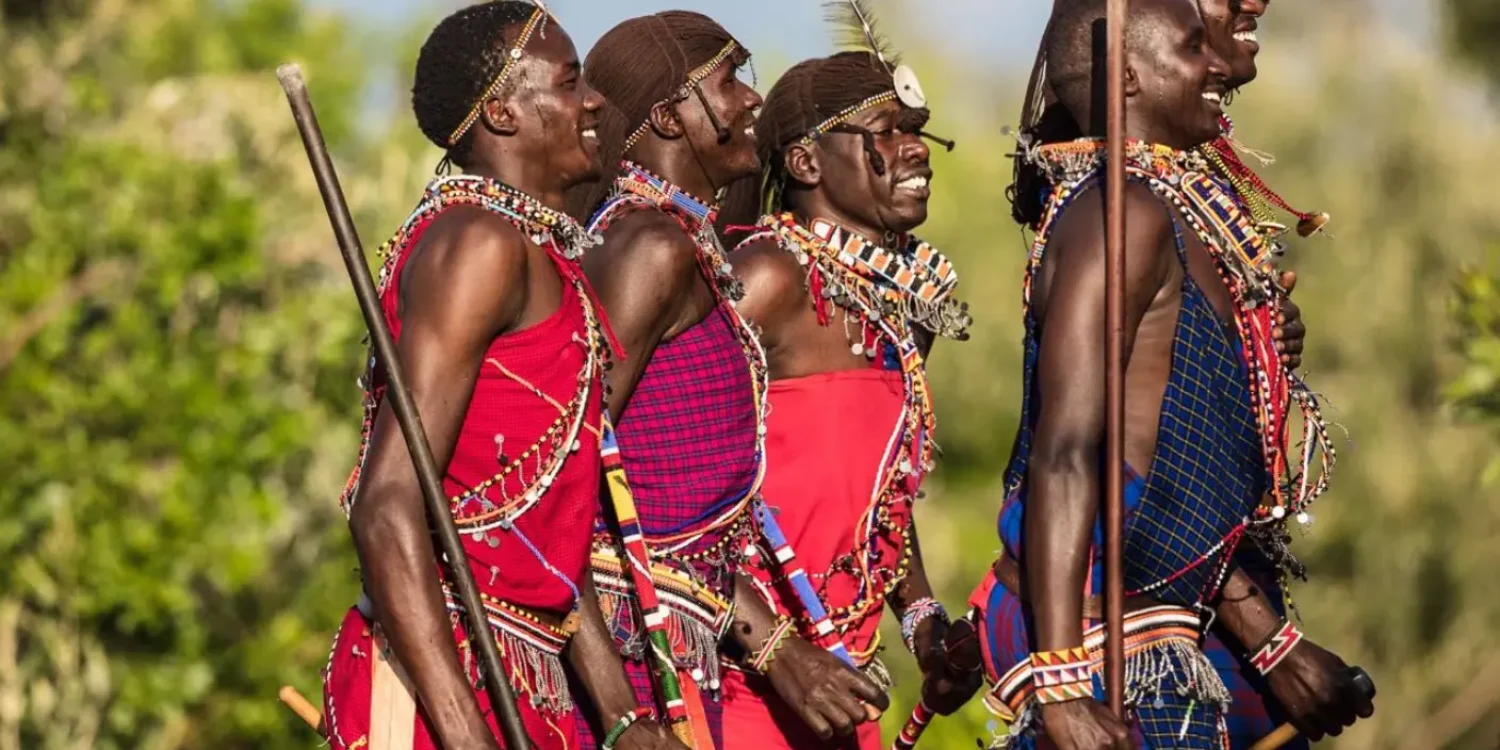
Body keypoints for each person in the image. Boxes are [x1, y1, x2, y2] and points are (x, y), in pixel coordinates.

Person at [962, 0, 1374, 748]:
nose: (1216, 65)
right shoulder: (1120, 215)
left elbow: (1174, 458)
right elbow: (1065, 453)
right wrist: (1061, 687)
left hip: (1168, 610)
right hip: (1107, 639)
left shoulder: (1160, 207)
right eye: (1191, 49)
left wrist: (1274, 645)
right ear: (1127, 76)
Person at [322, 4, 687, 749]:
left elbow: (548, 541)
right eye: (570, 82)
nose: (596, 103)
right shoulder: (477, 245)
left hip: (524, 685)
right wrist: (467, 736)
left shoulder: (544, 258)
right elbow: (385, 505)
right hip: (442, 689)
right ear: (501, 111)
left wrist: (622, 720)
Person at [564, 12, 889, 749]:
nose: (752, 100)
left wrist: (774, 646)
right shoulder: (648, 247)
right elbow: (569, 474)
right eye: (729, 81)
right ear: (667, 117)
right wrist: (623, 715)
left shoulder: (683, 242)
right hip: (631, 652)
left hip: (674, 645)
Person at [714, 45, 980, 749]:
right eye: (886, 132)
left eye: (917, 130)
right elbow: (661, 490)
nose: (916, 150)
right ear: (806, 162)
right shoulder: (766, 279)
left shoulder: (903, 307)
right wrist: (777, 652)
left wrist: (923, 624)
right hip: (737, 686)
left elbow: (879, 497)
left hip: (842, 690)